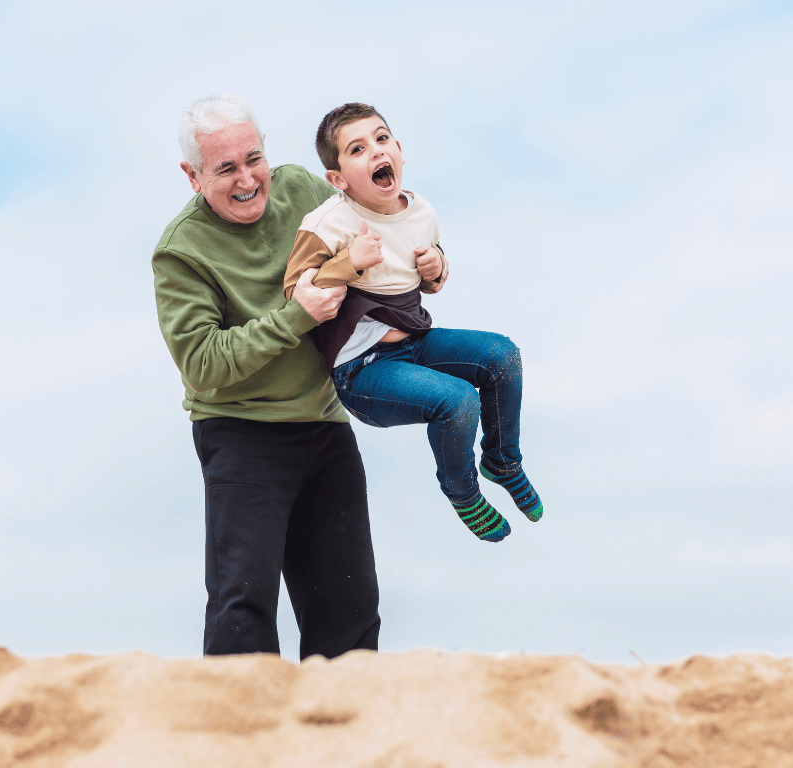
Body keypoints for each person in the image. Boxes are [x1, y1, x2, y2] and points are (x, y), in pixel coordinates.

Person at [152, 95, 381, 659]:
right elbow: (203, 365)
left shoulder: (303, 190)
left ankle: (342, 741)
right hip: (239, 432)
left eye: (253, 159)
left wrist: (433, 259)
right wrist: (295, 316)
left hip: (324, 425)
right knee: (243, 609)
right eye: (226, 168)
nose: (248, 179)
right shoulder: (180, 253)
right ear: (193, 176)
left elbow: (380, 227)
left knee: (350, 611)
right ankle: (239, 742)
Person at [284, 102, 542, 543]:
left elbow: (430, 274)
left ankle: (502, 460)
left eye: (382, 140)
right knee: (459, 401)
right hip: (363, 370)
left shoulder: (421, 211)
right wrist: (348, 263)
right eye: (357, 148)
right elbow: (295, 291)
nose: (376, 152)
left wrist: (437, 265)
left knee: (503, 356)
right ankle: (462, 491)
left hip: (416, 343)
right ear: (338, 178)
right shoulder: (329, 223)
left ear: (399, 151)